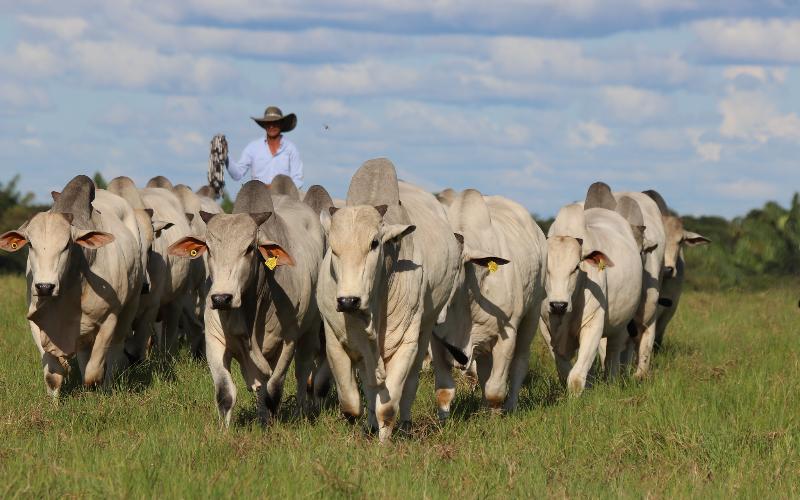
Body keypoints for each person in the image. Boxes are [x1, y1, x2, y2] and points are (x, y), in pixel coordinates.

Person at [227, 106, 304, 188]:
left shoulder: (291, 149)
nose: (271, 126)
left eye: (275, 122)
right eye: (268, 123)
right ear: (264, 125)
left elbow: (298, 179)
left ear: (281, 124)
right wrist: (225, 157)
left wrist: (279, 188)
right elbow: (237, 174)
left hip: (283, 197)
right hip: (258, 196)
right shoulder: (253, 148)